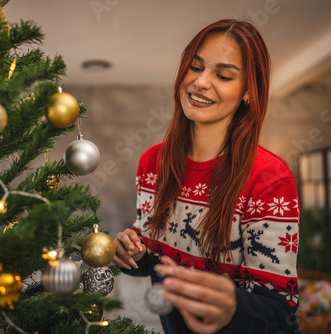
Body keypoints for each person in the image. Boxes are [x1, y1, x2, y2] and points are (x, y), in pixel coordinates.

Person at [113, 19, 299, 334]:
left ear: (248, 93)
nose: (201, 82)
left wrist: (234, 306)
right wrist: (131, 252)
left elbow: (279, 309)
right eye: (195, 67)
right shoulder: (152, 163)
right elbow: (152, 260)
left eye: (224, 75)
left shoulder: (269, 177)